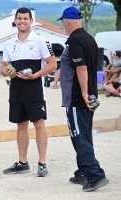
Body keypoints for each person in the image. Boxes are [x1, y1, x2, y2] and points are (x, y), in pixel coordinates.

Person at [57, 6, 109, 192]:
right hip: (88, 95)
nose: (63, 25)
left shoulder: (74, 39)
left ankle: (95, 174)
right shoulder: (89, 38)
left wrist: (84, 94)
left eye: (63, 22)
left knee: (79, 136)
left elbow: (82, 68)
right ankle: (83, 171)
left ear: (67, 21)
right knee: (84, 134)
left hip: (78, 98)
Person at [0, 7, 57, 177]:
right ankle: (23, 163)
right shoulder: (9, 44)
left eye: (26, 18)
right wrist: (6, 71)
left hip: (35, 90)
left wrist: (36, 75)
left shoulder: (40, 40)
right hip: (16, 91)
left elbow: (52, 64)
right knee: (21, 125)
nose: (22, 21)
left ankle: (42, 163)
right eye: (19, 18)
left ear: (31, 21)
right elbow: (3, 67)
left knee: (39, 124)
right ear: (15, 20)